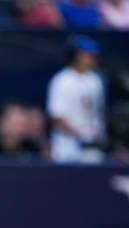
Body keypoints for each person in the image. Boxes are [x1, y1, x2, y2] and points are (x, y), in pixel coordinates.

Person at [46, 35, 105, 163]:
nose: (90, 59)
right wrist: (80, 134)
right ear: (74, 56)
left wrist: (97, 135)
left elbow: (97, 111)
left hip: (91, 146)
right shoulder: (62, 80)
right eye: (86, 55)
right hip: (66, 146)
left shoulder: (95, 80)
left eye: (93, 56)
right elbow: (56, 117)